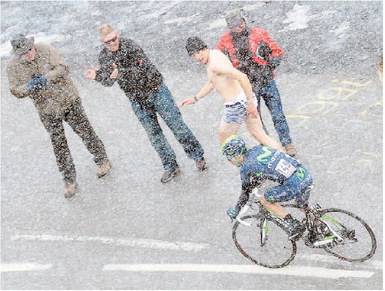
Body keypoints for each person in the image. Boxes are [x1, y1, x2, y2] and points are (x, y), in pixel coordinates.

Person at [85, 24, 207, 183]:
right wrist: (96, 76)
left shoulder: (130, 46)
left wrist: (119, 72)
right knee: (155, 136)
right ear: (103, 42)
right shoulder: (104, 56)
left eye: (113, 39)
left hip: (156, 90)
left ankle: (197, 156)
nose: (112, 43)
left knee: (176, 125)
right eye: (107, 42)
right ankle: (171, 166)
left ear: (117, 35)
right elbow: (108, 81)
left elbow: (141, 71)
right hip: (137, 101)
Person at [7, 34, 111, 199]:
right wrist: (29, 86)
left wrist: (46, 78)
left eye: (29, 50)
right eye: (23, 53)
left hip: (68, 99)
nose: (28, 54)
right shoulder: (13, 67)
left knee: (85, 132)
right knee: (59, 145)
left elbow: (63, 68)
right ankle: (69, 180)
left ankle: (102, 160)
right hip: (46, 109)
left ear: (32, 46)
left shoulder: (46, 49)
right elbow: (15, 90)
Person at [180, 36, 284, 152]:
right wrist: (195, 98)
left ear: (204, 48)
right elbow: (212, 82)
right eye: (193, 56)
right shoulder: (214, 55)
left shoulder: (215, 64)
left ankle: (245, 163)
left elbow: (242, 77)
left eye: (198, 53)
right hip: (242, 100)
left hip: (237, 104)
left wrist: (250, 103)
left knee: (225, 139)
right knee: (259, 134)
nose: (197, 58)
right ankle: (287, 162)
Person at [216, 10, 297, 156]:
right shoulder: (224, 42)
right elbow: (218, 60)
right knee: (256, 120)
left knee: (278, 114)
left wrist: (270, 64)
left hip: (267, 81)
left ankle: (287, 143)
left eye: (241, 23)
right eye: (235, 25)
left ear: (244, 21)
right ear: (230, 27)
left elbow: (277, 51)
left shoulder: (259, 33)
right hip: (248, 87)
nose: (240, 26)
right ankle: (270, 146)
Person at [222, 135, 313, 239]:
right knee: (301, 204)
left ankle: (293, 224)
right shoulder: (258, 149)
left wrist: (236, 209)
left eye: (230, 158)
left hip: (295, 184)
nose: (230, 161)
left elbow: (245, 192)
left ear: (237, 155)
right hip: (304, 174)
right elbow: (268, 167)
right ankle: (318, 223)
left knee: (265, 200)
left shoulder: (246, 167)